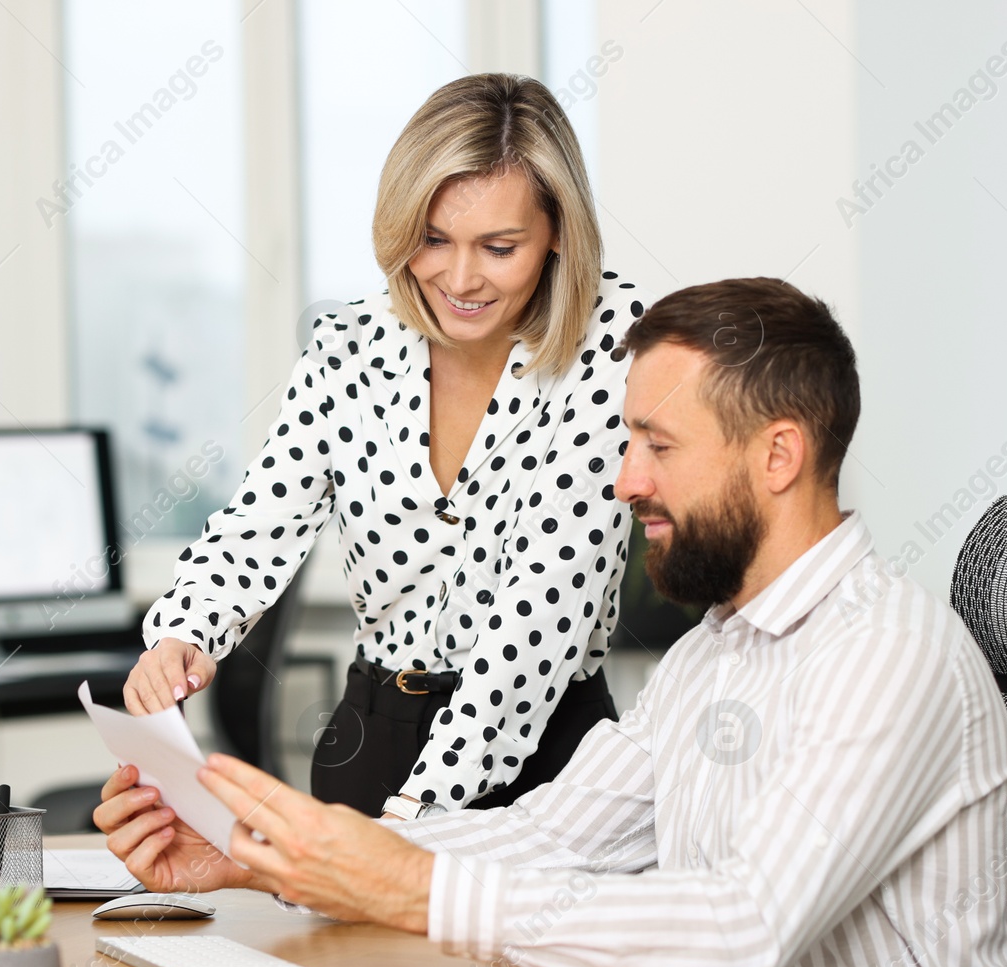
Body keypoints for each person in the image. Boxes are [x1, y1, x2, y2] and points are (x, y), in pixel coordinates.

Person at [95, 278, 1007, 967]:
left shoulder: (886, 651)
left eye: (658, 446)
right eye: (630, 443)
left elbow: (746, 926)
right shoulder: (715, 653)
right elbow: (554, 836)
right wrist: (263, 856)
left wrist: (412, 890)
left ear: (778, 453)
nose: (625, 481)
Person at [122, 73, 647, 819]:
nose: (459, 279)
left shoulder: (615, 345)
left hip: (545, 757)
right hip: (370, 740)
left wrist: (408, 826)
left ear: (559, 229)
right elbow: (259, 522)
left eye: (499, 247)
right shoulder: (352, 345)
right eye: (433, 240)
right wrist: (185, 630)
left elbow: (535, 632)